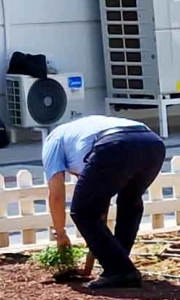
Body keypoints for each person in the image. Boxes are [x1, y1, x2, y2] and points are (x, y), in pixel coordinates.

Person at [42, 115, 167, 290]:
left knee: (82, 211)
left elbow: (56, 195)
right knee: (130, 202)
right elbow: (100, 199)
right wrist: (97, 250)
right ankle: (120, 264)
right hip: (152, 142)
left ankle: (119, 269)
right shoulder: (81, 137)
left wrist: (61, 234)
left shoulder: (53, 141)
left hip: (115, 144)